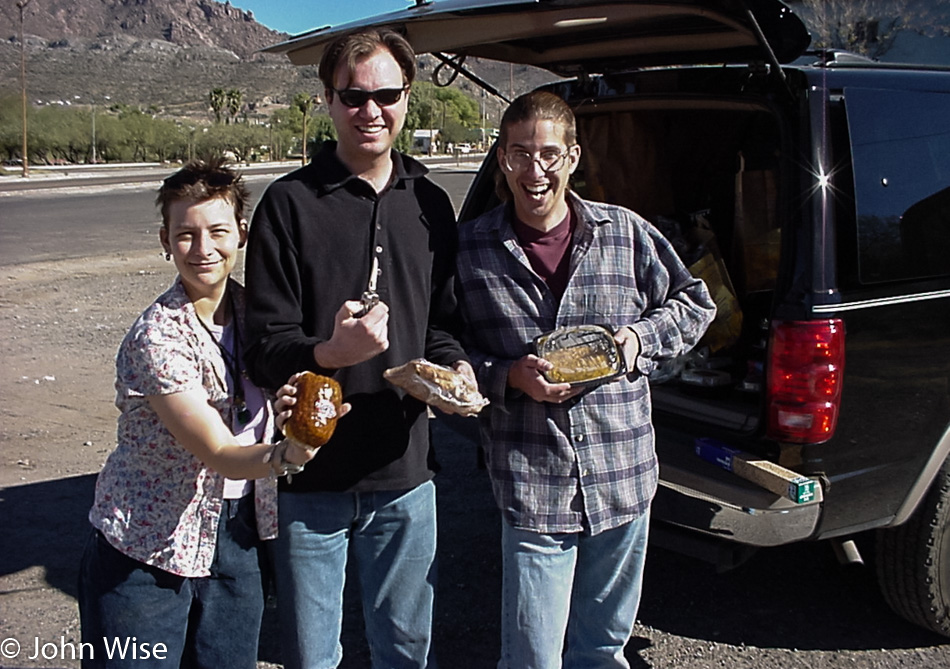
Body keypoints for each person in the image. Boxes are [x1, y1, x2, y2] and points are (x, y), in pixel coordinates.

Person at [454, 91, 717, 669]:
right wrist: (507, 377)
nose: (535, 170)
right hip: (533, 478)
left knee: (603, 649)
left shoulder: (624, 233)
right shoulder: (470, 250)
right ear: (502, 159)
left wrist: (637, 342)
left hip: (623, 473)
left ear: (573, 157)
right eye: (520, 154)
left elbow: (696, 303)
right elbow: (444, 353)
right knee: (531, 656)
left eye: (549, 153)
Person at [242, 28, 474, 669]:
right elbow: (263, 347)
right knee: (313, 657)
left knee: (405, 649)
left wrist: (455, 371)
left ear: (407, 97)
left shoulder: (428, 203)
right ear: (327, 99)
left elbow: (442, 325)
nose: (371, 111)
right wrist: (329, 354)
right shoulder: (288, 205)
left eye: (387, 95)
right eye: (354, 97)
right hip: (310, 476)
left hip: (405, 475)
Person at [78, 158, 329, 669]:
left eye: (217, 231)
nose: (203, 249)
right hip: (146, 550)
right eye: (185, 234)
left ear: (240, 233)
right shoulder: (158, 337)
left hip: (236, 539)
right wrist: (290, 454)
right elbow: (219, 452)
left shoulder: (260, 317)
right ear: (164, 240)